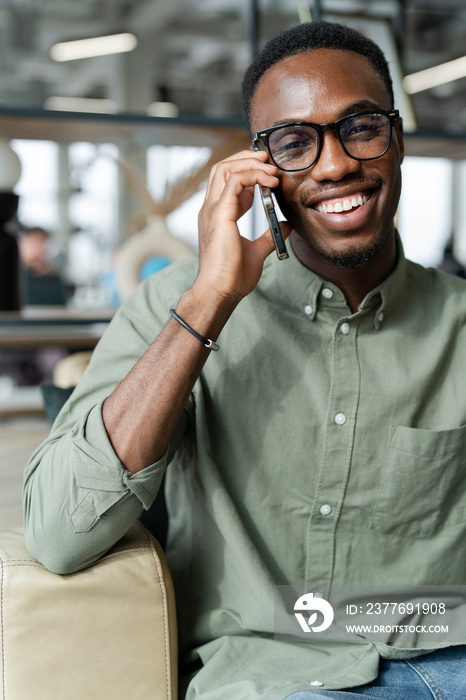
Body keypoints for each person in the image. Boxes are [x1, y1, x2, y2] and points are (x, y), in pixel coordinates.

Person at [23, 21, 466, 700]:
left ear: (398, 140)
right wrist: (208, 301)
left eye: (361, 128)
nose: (335, 164)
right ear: (261, 171)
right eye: (295, 143)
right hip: (273, 678)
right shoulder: (175, 305)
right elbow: (59, 533)